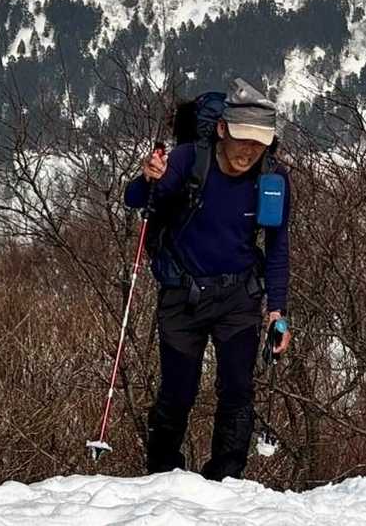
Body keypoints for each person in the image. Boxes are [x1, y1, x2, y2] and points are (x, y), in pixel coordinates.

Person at [123, 77, 292, 481]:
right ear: (221, 130)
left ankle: (226, 480)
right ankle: (163, 475)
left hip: (239, 296)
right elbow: (135, 199)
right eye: (242, 140)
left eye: (259, 144)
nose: (248, 152)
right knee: (178, 392)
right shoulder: (188, 160)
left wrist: (277, 311)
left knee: (237, 391)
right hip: (183, 294)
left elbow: (277, 247)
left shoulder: (272, 180)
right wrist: (148, 177)